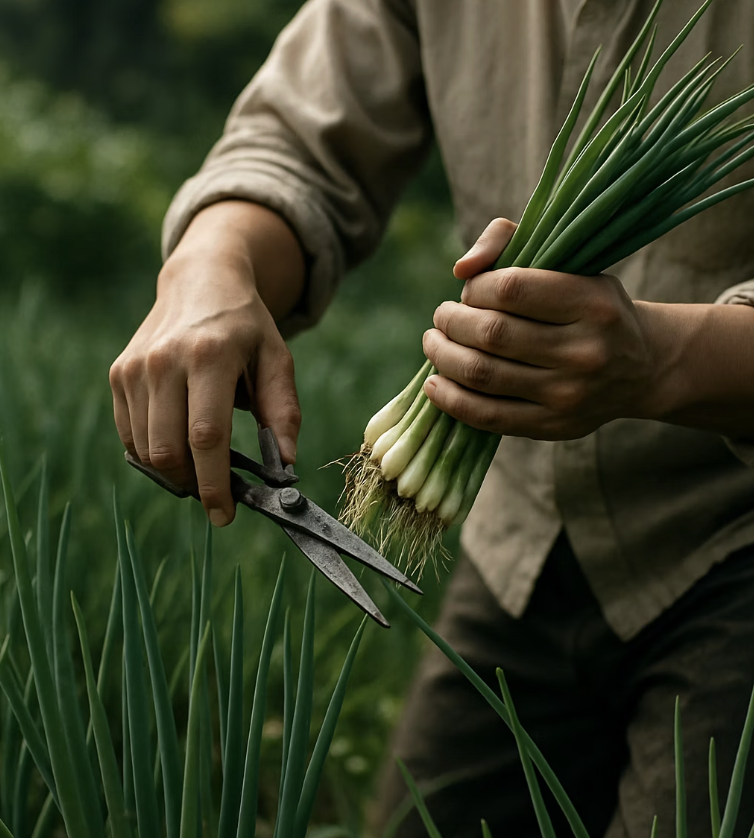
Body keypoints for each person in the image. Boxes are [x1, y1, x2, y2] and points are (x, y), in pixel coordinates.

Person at [108, 1, 754, 835]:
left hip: (732, 528)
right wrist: (209, 262)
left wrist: (669, 360)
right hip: (520, 535)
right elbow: (301, 138)